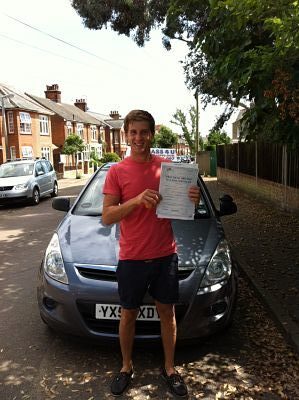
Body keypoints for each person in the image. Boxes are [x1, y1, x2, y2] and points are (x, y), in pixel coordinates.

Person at [102, 109, 200, 397]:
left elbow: (183, 211)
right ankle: (126, 366)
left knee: (167, 314)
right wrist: (135, 200)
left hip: (164, 255)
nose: (138, 137)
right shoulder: (117, 172)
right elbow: (107, 217)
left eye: (144, 132)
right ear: (126, 135)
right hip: (132, 257)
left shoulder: (169, 169)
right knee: (128, 314)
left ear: (152, 134)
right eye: (133, 132)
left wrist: (191, 199)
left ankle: (170, 368)